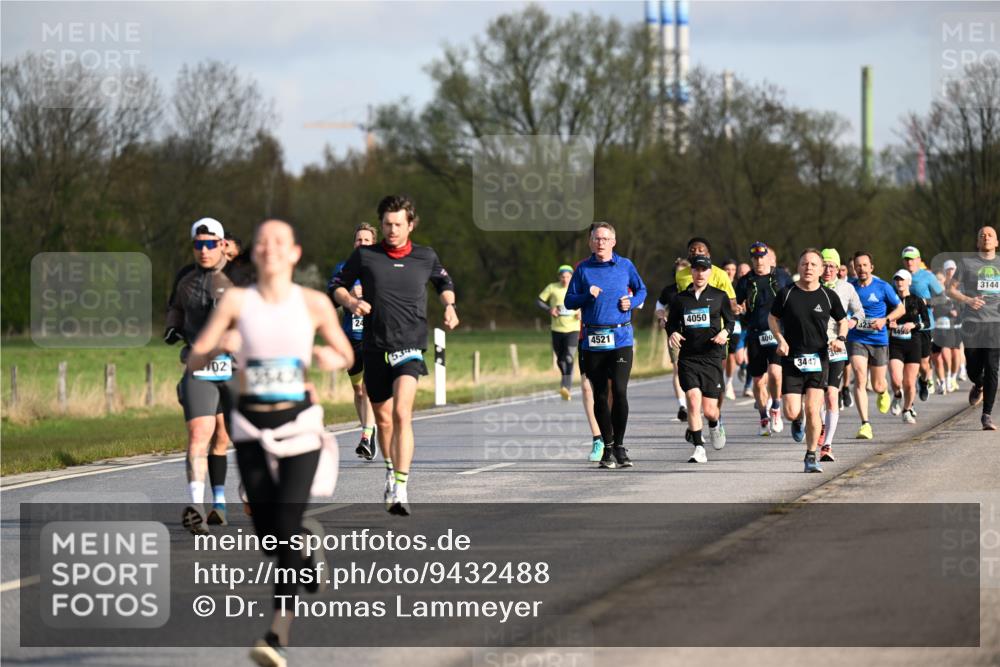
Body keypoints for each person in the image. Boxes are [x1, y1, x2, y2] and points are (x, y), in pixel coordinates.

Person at [188, 218, 354, 667]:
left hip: (300, 429)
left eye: (280, 241)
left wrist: (329, 356)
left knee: (284, 522)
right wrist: (220, 344)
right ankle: (303, 548)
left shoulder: (314, 303)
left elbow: (347, 353)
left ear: (294, 252)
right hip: (251, 430)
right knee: (270, 537)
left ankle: (277, 635)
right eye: (263, 241)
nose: (270, 247)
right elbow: (196, 356)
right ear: (253, 253)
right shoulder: (237, 302)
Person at [331, 195, 458, 514]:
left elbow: (443, 281)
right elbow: (336, 285)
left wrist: (449, 306)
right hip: (375, 345)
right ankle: (390, 471)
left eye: (398, 224)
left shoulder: (425, 256)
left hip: (410, 344)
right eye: (387, 224)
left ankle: (401, 487)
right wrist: (350, 302)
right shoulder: (366, 256)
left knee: (402, 413)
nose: (392, 230)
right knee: (384, 420)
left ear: (410, 225)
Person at [165, 217, 253, 533]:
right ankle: (197, 506)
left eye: (210, 244)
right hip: (199, 365)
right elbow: (175, 307)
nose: (204, 250)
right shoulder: (185, 279)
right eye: (198, 244)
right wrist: (172, 327)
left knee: (239, 435)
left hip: (235, 367)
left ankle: (244, 489)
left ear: (222, 245)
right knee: (199, 434)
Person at [565, 222, 646, 469]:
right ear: (590, 242)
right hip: (593, 340)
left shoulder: (625, 265)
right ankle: (607, 447)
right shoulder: (583, 269)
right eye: (597, 239)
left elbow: (642, 290)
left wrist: (631, 302)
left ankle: (619, 446)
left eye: (605, 238)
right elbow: (569, 301)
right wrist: (586, 295)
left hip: (621, 337)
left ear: (613, 242)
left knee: (619, 391)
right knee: (600, 395)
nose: (601, 243)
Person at [768, 248, 849, 473]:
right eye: (804, 264)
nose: (809, 268)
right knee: (791, 411)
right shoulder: (786, 293)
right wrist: (780, 339)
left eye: (814, 264)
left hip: (818, 359)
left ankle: (811, 455)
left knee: (814, 408)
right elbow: (772, 318)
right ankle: (797, 420)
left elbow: (843, 321)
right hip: (792, 359)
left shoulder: (828, 295)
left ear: (821, 270)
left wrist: (840, 339)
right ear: (798, 267)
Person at [667, 255, 735, 463]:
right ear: (692, 272)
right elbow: (671, 323)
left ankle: (715, 423)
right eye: (696, 269)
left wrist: (725, 332)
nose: (700, 273)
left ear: (710, 272)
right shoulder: (680, 299)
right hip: (689, 357)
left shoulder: (719, 296)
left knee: (710, 411)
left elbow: (731, 321)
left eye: (704, 270)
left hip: (712, 356)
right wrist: (673, 332)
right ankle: (699, 447)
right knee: (693, 400)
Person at [328, 223, 378, 460]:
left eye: (367, 240)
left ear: (374, 244)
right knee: (358, 391)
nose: (362, 244)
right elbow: (332, 297)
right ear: (354, 243)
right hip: (351, 338)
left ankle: (366, 436)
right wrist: (349, 297)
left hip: (374, 336)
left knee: (367, 388)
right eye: (359, 240)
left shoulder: (380, 267)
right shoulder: (343, 268)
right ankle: (369, 430)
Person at [735, 241, 793, 436]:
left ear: (768, 258)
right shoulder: (745, 281)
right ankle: (763, 416)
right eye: (755, 258)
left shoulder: (782, 276)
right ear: (751, 260)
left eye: (762, 257)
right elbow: (736, 305)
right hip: (755, 334)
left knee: (776, 373)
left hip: (778, 333)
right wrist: (738, 309)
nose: (759, 261)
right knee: (758, 381)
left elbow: (793, 299)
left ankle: (775, 407)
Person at [946, 226, 1000, 430]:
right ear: (978, 242)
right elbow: (950, 289)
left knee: (992, 367)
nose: (986, 237)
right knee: (973, 368)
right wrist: (968, 300)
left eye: (990, 235)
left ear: (996, 242)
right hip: (973, 322)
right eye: (982, 235)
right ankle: (978, 384)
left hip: (995, 323)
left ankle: (987, 415)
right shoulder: (966, 264)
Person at [847, 251, 905, 440]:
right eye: (858, 265)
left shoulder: (883, 287)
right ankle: (865, 424)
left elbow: (901, 308)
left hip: (879, 340)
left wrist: (885, 320)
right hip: (857, 338)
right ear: (854, 268)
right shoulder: (850, 288)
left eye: (865, 265)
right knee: (860, 378)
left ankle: (883, 392)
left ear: (871, 267)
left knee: (878, 384)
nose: (861, 269)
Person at [817, 248, 861, 461]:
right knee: (816, 397)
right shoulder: (811, 287)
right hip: (815, 347)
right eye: (824, 265)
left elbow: (859, 311)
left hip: (837, 346)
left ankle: (827, 445)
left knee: (831, 395)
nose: (828, 270)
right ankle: (820, 425)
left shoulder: (846, 288)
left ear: (838, 268)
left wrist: (851, 322)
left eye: (832, 266)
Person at [901, 246, 945, 401]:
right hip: (905, 327)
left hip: (924, 325)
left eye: (912, 259)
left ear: (919, 260)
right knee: (907, 363)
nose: (910, 262)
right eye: (907, 259)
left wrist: (926, 302)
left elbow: (942, 298)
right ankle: (908, 396)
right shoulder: (900, 277)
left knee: (924, 364)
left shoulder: (928, 276)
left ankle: (924, 380)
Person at [887, 269, 929, 424]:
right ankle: (897, 395)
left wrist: (914, 325)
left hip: (913, 343)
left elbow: (927, 322)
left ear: (909, 282)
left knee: (910, 383)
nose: (900, 282)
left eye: (903, 279)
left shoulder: (917, 300)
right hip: (896, 343)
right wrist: (889, 324)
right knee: (896, 379)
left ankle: (907, 409)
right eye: (897, 279)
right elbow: (883, 319)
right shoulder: (890, 300)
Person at [655, 258, 691, 423]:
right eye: (677, 272)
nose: (680, 275)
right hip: (674, 333)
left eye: (683, 272)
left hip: (695, 335)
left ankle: (695, 400)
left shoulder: (696, 289)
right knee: (678, 368)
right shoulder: (669, 291)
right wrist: (661, 317)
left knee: (694, 368)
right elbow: (659, 305)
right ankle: (682, 405)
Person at [537, 265, 581, 401]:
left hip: (573, 329)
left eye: (568, 277)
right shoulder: (552, 287)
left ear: (572, 277)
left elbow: (587, 301)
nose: (565, 279)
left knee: (568, 357)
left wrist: (582, 312)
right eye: (563, 277)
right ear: (559, 277)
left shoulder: (577, 287)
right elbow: (539, 301)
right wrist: (550, 310)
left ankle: (566, 387)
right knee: (561, 360)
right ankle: (565, 379)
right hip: (557, 329)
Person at [929, 270, 961, 394]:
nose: (938, 282)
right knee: (936, 357)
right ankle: (942, 382)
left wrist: (955, 312)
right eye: (936, 280)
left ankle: (949, 378)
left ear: (944, 281)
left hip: (949, 328)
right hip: (935, 329)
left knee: (947, 354)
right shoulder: (931, 295)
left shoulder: (950, 293)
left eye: (940, 279)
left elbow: (958, 308)